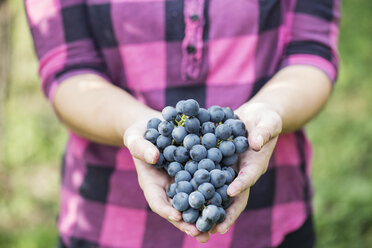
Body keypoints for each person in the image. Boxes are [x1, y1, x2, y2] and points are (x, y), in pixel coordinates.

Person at [25, 0, 340, 247]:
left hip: (270, 218)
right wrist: (133, 124)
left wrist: (270, 109)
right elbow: (68, 73)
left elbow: (311, 54)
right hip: (106, 218)